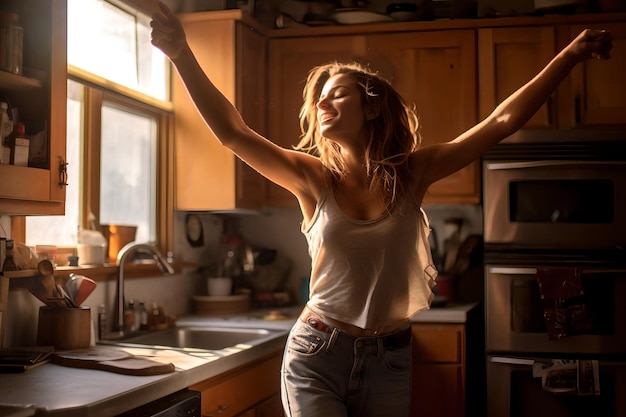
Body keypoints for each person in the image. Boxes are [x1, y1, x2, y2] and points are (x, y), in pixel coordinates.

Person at [150, 2, 613, 416]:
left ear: (371, 108)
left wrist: (568, 56)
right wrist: (182, 56)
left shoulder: (414, 173)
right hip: (317, 351)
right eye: (320, 98)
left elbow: (501, 122)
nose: (323, 103)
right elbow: (234, 133)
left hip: (390, 358)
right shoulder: (312, 180)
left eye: (339, 93)